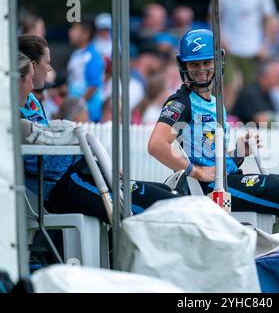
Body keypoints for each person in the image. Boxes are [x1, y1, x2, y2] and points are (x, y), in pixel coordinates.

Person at [147, 29, 279, 232]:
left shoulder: (216, 103)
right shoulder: (181, 102)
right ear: (183, 66)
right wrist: (198, 172)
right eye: (194, 64)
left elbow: (211, 156)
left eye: (206, 62)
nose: (201, 69)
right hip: (210, 191)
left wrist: (237, 152)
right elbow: (157, 145)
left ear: (218, 61)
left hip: (226, 181)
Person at [19, 34, 180, 224]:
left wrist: (103, 166)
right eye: (47, 62)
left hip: (81, 172)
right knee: (160, 209)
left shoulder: (31, 100)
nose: (49, 68)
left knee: (167, 193)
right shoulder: (12, 111)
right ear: (32, 66)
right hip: (65, 184)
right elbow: (45, 141)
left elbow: (50, 136)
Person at [209, 0, 277, 110]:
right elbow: (213, 16)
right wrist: (220, 39)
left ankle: (247, 121)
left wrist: (266, 45)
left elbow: (270, 19)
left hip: (253, 50)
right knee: (227, 88)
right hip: (229, 50)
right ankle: (225, 121)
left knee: (250, 91)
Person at [66, 19, 105, 123]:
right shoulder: (76, 54)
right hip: (76, 113)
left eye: (74, 29)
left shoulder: (92, 56)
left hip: (88, 116)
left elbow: (94, 85)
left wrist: (76, 108)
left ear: (85, 33)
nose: (70, 33)